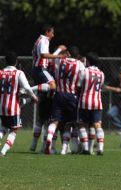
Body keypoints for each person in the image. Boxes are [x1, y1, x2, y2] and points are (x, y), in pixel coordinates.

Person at [30, 24, 66, 152]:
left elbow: (45, 56)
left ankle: (28, 96)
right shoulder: (44, 40)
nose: (53, 35)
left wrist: (56, 52)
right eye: (52, 32)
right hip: (40, 69)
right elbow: (45, 55)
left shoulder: (39, 40)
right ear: (47, 32)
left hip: (39, 70)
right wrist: (58, 55)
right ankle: (28, 90)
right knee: (53, 86)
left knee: (41, 118)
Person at [44, 47, 85, 155]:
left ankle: (49, 138)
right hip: (72, 95)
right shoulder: (80, 64)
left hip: (59, 94)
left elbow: (49, 60)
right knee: (72, 123)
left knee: (54, 121)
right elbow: (80, 83)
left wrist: (58, 50)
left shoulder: (60, 60)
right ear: (78, 55)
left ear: (68, 53)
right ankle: (74, 147)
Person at [0, 52, 38, 156]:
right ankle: (3, 151)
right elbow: (26, 87)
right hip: (13, 107)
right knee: (13, 130)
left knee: (3, 127)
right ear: (16, 61)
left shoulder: (1, 72)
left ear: (5, 61)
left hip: (2, 106)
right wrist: (33, 97)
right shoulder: (18, 73)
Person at [77, 52, 105, 155]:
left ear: (88, 61)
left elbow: (79, 85)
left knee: (82, 125)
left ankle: (85, 148)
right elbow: (100, 87)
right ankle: (100, 148)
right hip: (97, 101)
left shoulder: (85, 71)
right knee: (97, 125)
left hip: (85, 101)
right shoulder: (102, 74)